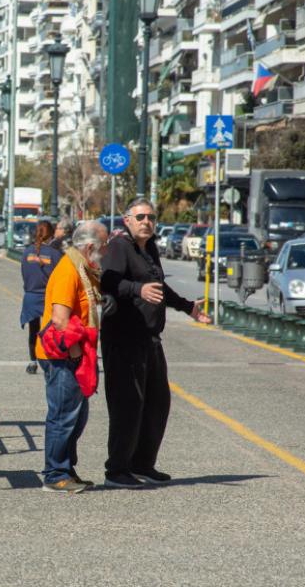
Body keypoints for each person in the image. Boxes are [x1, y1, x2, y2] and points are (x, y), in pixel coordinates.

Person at [99, 199, 211, 489]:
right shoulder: (119, 247)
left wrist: (188, 308)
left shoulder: (148, 249)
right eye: (140, 216)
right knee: (128, 405)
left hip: (149, 339)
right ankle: (116, 469)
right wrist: (137, 289)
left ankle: (142, 463)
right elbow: (106, 282)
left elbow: (159, 288)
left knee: (157, 403)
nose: (146, 221)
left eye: (151, 216)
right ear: (127, 220)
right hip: (123, 338)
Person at [34, 221, 107, 493]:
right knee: (63, 415)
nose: (106, 251)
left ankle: (65, 467)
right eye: (104, 246)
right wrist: (77, 355)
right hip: (63, 355)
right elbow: (60, 319)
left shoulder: (83, 268)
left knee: (77, 416)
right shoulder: (69, 270)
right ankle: (54, 474)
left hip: (75, 355)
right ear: (90, 248)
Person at [20, 220, 62, 375]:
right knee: (50, 330)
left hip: (30, 296)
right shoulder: (55, 254)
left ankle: (32, 362)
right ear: (50, 234)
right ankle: (49, 359)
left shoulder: (26, 252)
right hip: (48, 297)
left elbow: (24, 274)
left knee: (33, 330)